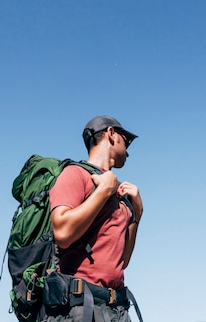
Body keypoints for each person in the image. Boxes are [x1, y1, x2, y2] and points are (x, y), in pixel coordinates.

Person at [48, 115, 144, 322]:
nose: (127, 151)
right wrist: (103, 191)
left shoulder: (120, 196)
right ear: (111, 134)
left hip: (116, 308)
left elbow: (122, 261)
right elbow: (62, 233)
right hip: (81, 308)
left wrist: (137, 214)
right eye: (126, 141)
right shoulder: (75, 174)